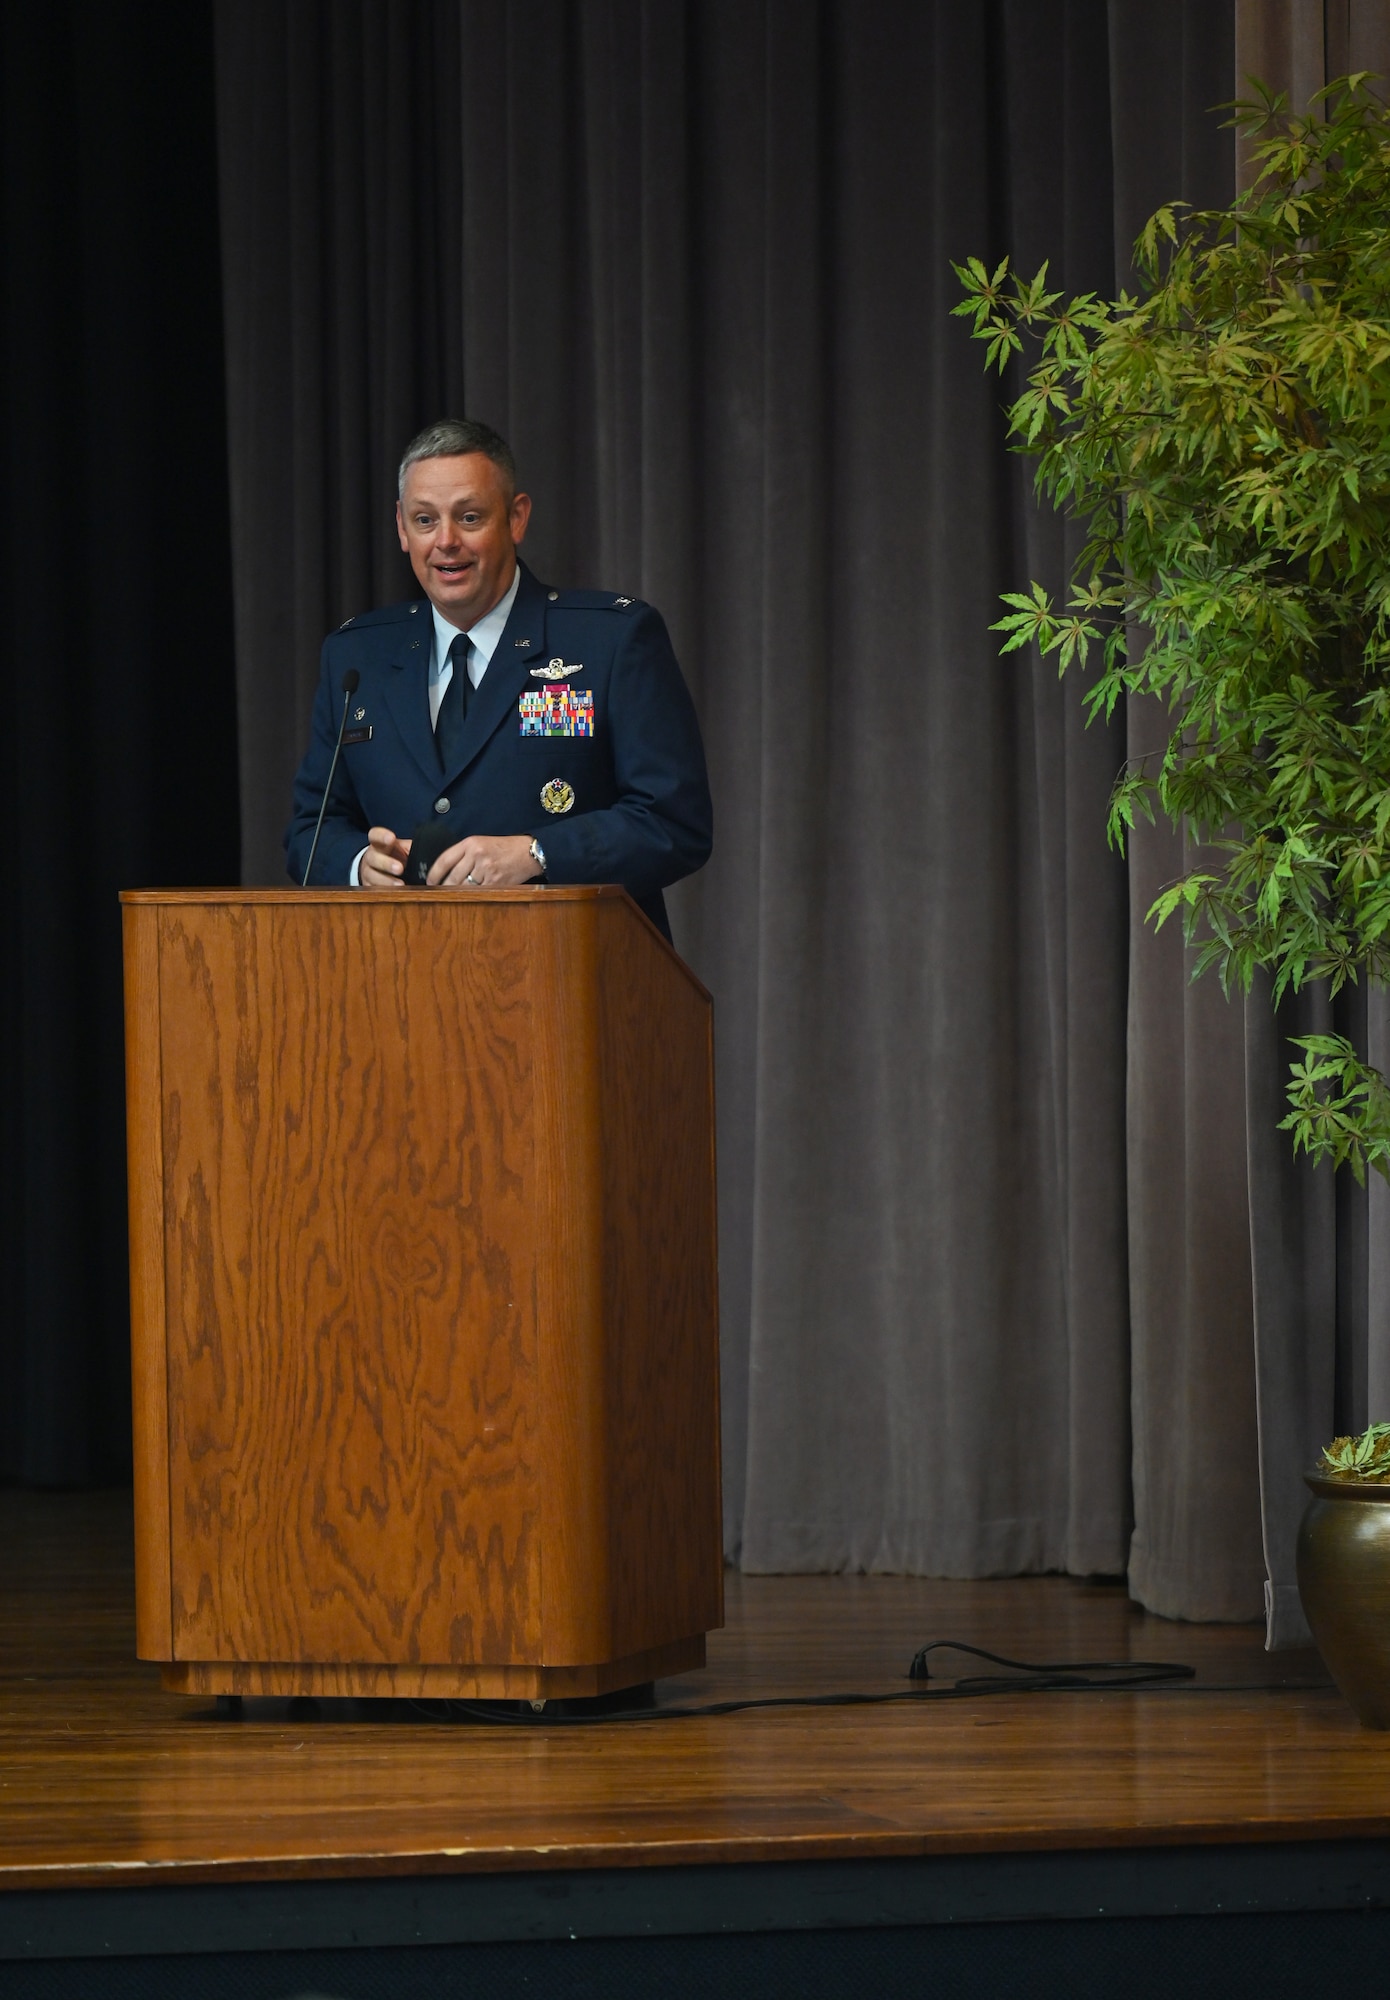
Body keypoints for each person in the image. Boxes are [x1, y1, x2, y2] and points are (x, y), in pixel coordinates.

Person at [284, 418, 712, 940]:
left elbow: (674, 821)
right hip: (399, 979)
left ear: (515, 518)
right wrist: (358, 865)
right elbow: (311, 829)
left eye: (469, 517)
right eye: (424, 520)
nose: (446, 542)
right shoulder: (356, 655)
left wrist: (537, 854)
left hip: (567, 976)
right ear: (400, 527)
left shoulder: (610, 640)